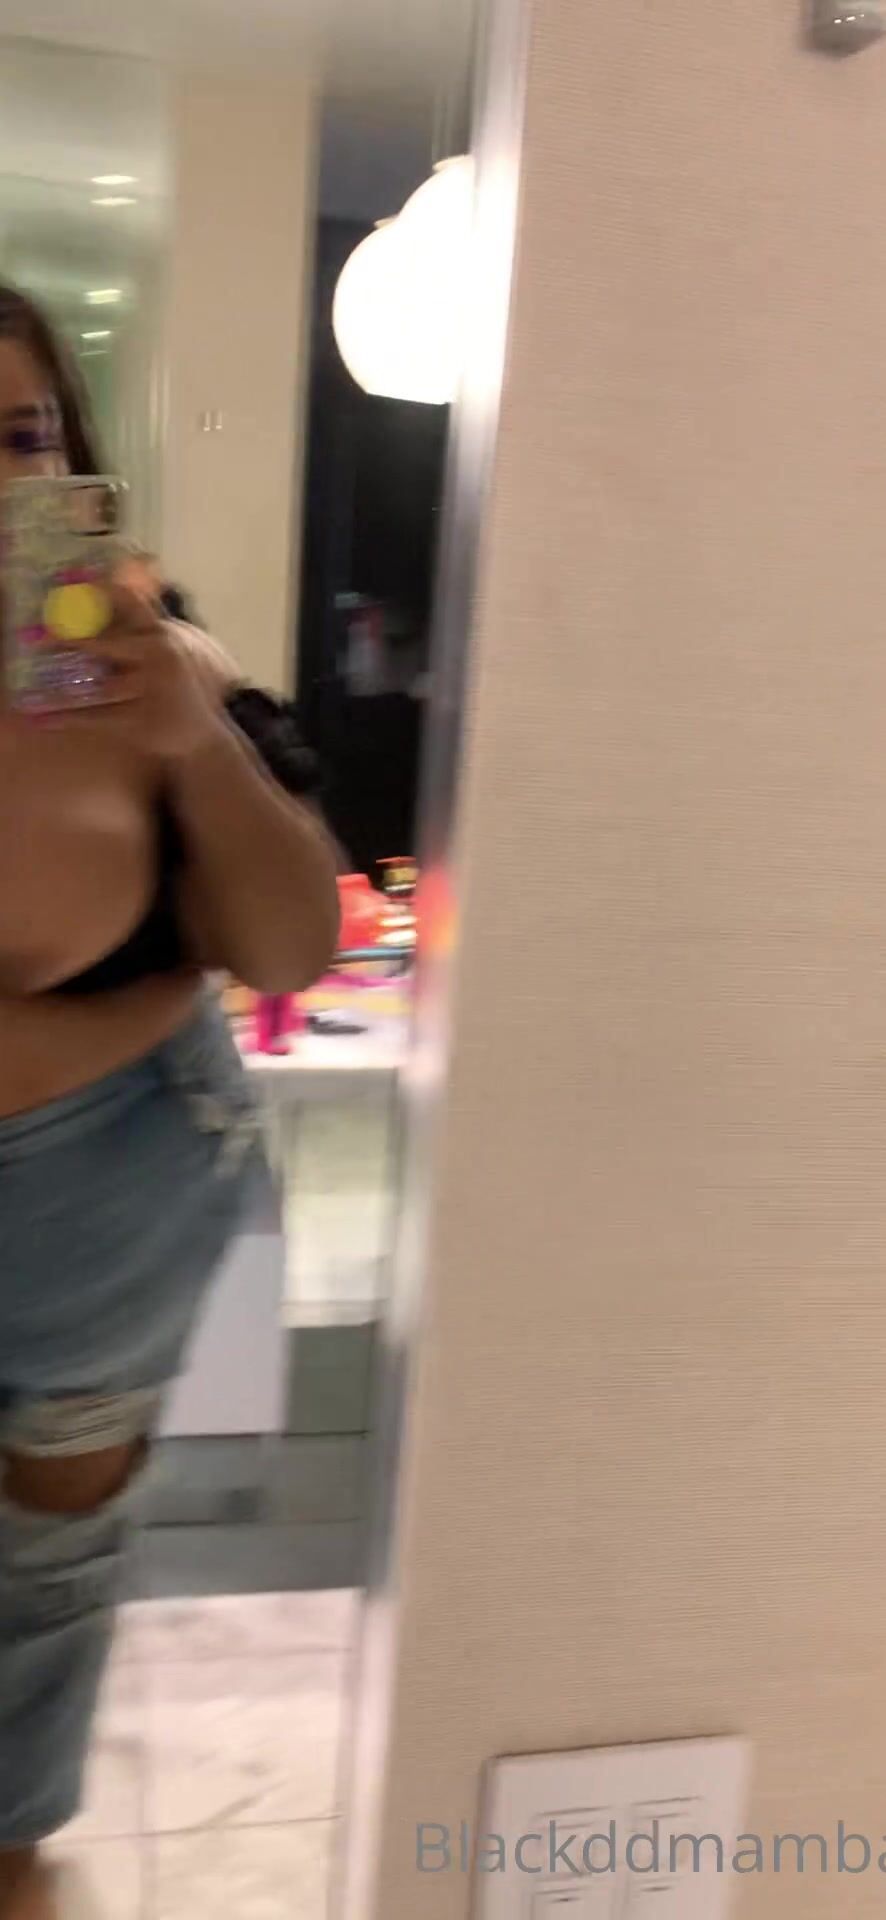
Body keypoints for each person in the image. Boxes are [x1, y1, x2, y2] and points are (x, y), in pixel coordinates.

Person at [0, 283, 340, 1919]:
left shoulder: (152, 666)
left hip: (102, 1211)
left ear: (70, 463)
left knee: (47, 1562)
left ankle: (9, 1853)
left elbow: (290, 948)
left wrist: (196, 740)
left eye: (18, 436)